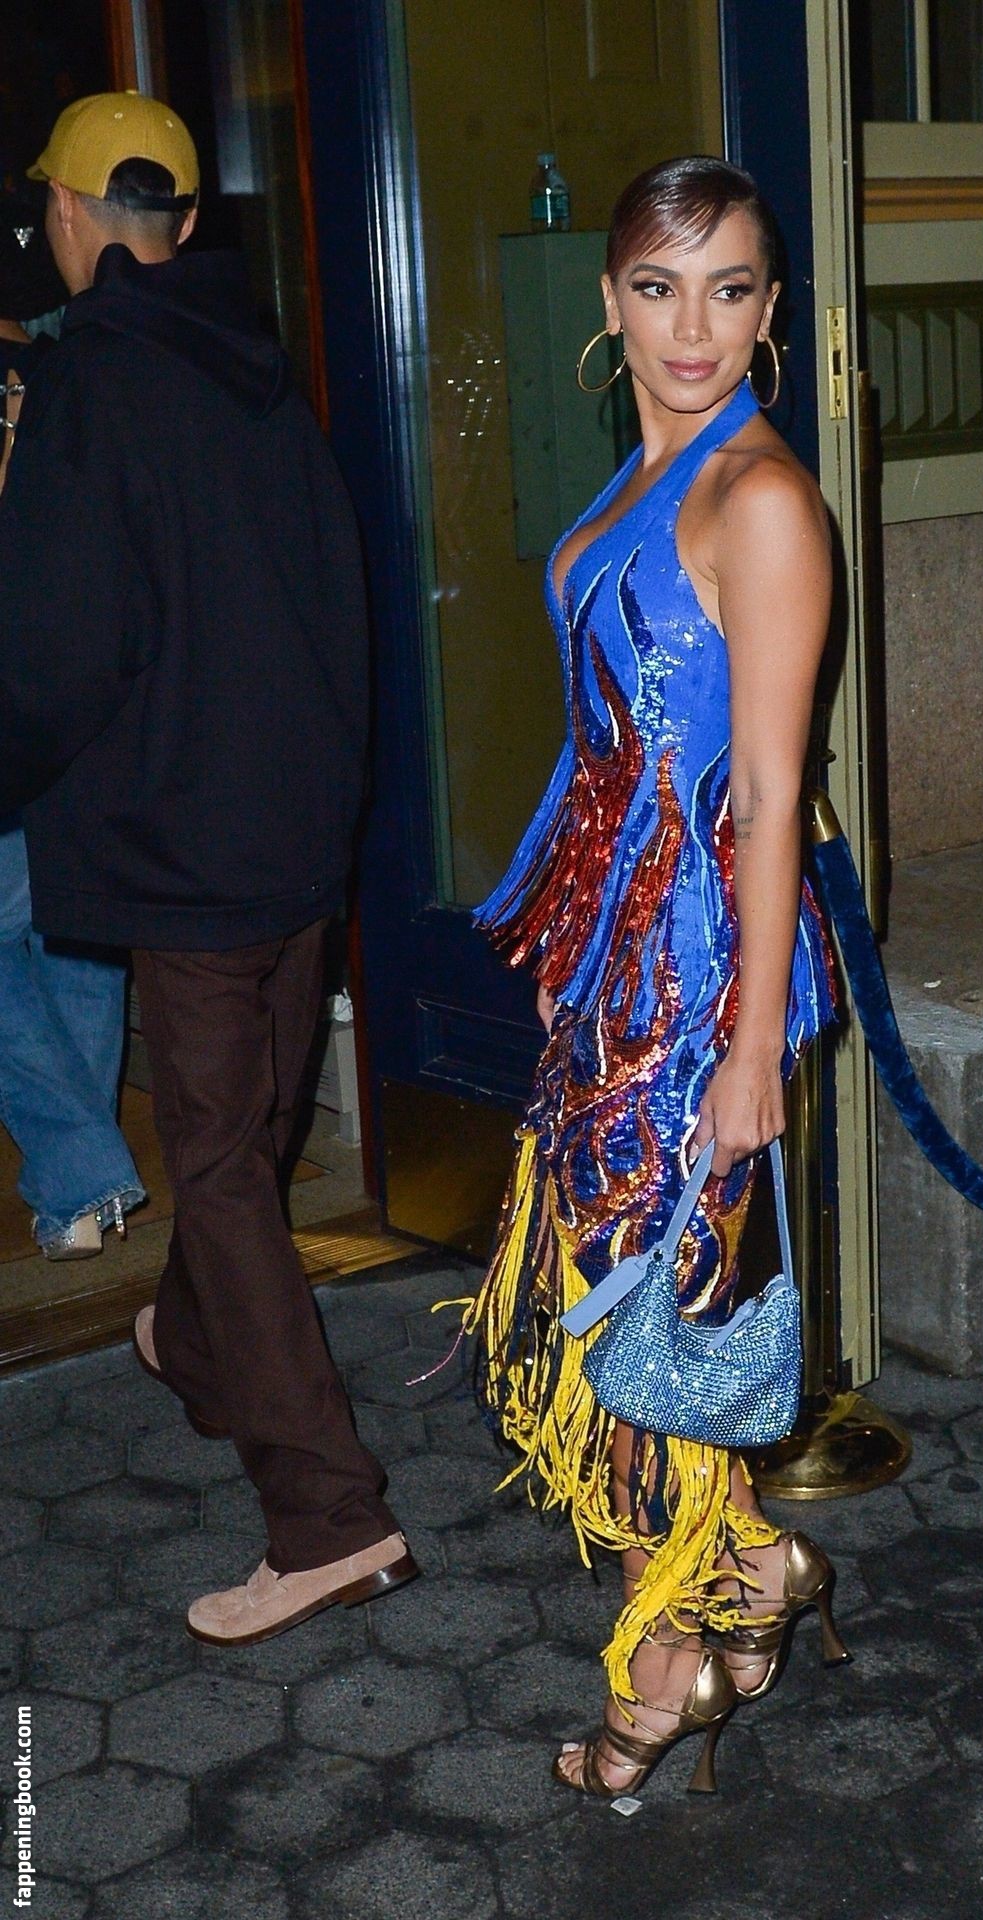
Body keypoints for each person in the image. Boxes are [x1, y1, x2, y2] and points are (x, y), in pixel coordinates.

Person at [447, 157, 844, 1797]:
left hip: (699, 992)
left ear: (770, 307)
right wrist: (567, 940)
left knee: (637, 1343)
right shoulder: (643, 476)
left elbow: (769, 795)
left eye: (729, 290)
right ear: (610, 303)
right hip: (618, 973)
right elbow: (603, 752)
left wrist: (747, 1053)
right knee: (644, 1321)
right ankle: (757, 1577)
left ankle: (662, 1672)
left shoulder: (761, 501)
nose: (694, 328)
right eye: (660, 289)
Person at [0, 93, 416, 1640]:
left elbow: (56, 649)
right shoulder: (261, 373)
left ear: (73, 215)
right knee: (248, 1132)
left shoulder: (90, 385)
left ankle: (329, 1519)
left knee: (224, 1167)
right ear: (181, 223)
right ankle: (192, 1339)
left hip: (189, 853)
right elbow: (337, 597)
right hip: (297, 834)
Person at [0, 191, 146, 1261]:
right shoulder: (78, 380)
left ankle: (82, 1175)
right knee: (76, 942)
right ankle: (81, 1194)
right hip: (84, 702)